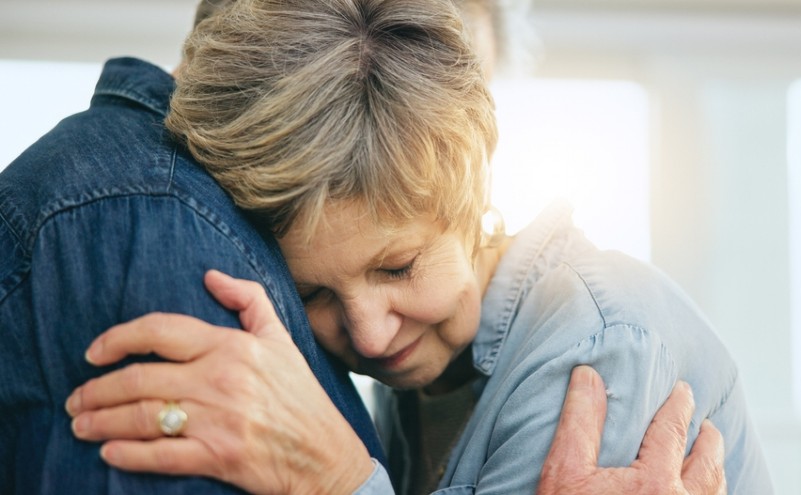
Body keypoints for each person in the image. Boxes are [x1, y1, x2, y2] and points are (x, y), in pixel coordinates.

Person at [0, 1, 725, 495]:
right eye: (315, 293)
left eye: (398, 265)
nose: (370, 333)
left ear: (473, 194)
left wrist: (340, 476)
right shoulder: (417, 390)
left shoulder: (595, 349)